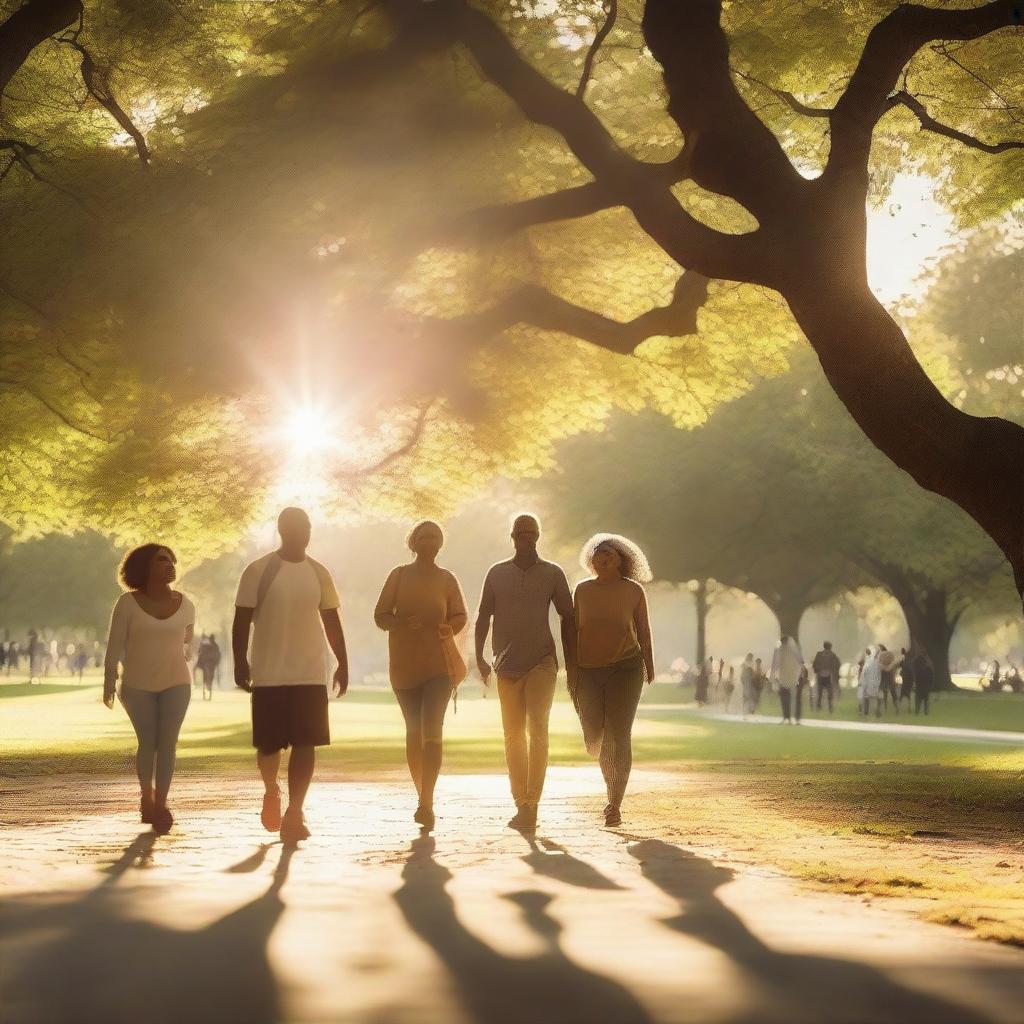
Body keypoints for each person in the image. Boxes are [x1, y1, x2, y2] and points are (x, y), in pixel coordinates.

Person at [234, 507, 348, 846]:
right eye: (295, 526)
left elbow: (331, 620)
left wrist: (343, 661)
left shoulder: (318, 572)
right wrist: (241, 662)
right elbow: (241, 620)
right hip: (269, 671)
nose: (303, 531)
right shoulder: (259, 571)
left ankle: (295, 811)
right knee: (269, 745)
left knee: (306, 742)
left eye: (307, 526)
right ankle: (272, 790)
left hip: (310, 671)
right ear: (282, 529)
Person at [475, 513, 575, 831]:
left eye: (530, 533)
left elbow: (568, 617)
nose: (525, 538)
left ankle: (533, 803)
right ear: (513, 536)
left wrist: (572, 662)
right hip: (506, 664)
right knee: (513, 735)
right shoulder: (496, 573)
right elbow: (482, 617)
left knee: (538, 731)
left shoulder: (552, 574)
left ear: (537, 536)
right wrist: (478, 657)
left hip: (542, 661)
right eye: (520, 533)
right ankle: (521, 802)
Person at [375, 520, 468, 830]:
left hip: (439, 666)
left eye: (434, 537)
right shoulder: (399, 576)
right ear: (413, 543)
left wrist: (449, 628)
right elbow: (381, 615)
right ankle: (422, 795)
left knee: (432, 727)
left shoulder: (447, 579)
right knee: (414, 732)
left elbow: (460, 615)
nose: (429, 541)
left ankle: (426, 801)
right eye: (423, 537)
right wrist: (402, 624)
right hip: (404, 666)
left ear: (440, 544)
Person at [103, 544, 196, 835]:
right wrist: (109, 681)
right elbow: (114, 645)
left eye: (172, 559)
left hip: (177, 682)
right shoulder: (127, 603)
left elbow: (188, 641)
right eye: (162, 560)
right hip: (136, 685)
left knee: (168, 743)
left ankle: (162, 804)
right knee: (148, 741)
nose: (170, 564)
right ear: (144, 567)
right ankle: (147, 795)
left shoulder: (187, 603)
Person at [571, 533, 655, 828]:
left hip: (626, 668)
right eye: (598, 554)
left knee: (620, 733)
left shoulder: (633, 591)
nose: (603, 558)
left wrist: (649, 665)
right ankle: (610, 789)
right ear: (590, 561)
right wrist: (572, 673)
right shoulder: (581, 591)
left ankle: (614, 803)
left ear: (623, 559)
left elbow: (643, 630)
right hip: (588, 671)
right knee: (595, 737)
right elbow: (573, 635)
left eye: (610, 554)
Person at [769, 634, 804, 724]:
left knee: (785, 698)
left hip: (784, 677)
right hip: (793, 676)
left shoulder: (779, 649)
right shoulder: (795, 649)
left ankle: (787, 718)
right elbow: (801, 662)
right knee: (795, 699)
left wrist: (772, 677)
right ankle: (796, 718)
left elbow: (775, 664)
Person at [812, 640, 840, 713]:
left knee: (820, 693)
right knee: (830, 693)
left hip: (820, 676)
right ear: (830, 647)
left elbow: (814, 664)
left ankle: (818, 707)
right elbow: (837, 664)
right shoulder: (833, 655)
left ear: (824, 646)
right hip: (829, 676)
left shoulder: (819, 654)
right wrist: (834, 672)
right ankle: (830, 708)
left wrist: (817, 670)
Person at [196, 632, 221, 700]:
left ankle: (207, 694)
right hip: (209, 664)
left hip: (208, 665)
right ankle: (207, 694)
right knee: (209, 679)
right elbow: (218, 655)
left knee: (207, 679)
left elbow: (200, 653)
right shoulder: (214, 645)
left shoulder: (207, 645)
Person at [860, 647, 883, 717]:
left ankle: (867, 711)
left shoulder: (868, 662)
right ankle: (877, 710)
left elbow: (864, 672)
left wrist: (862, 681)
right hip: (876, 682)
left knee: (867, 697)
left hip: (870, 682)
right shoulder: (878, 663)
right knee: (879, 696)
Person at [878, 645, 899, 713]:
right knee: (893, 692)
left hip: (883, 674)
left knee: (883, 691)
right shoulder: (890, 654)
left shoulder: (881, 655)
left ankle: (883, 708)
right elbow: (893, 665)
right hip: (890, 674)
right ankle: (896, 707)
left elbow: (880, 665)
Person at [912, 648, 934, 714]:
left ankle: (917, 711)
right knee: (926, 699)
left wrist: (914, 683)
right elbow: (931, 676)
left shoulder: (916, 665)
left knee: (918, 698)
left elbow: (914, 675)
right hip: (926, 685)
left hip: (919, 684)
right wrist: (931, 685)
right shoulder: (928, 665)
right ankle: (926, 712)